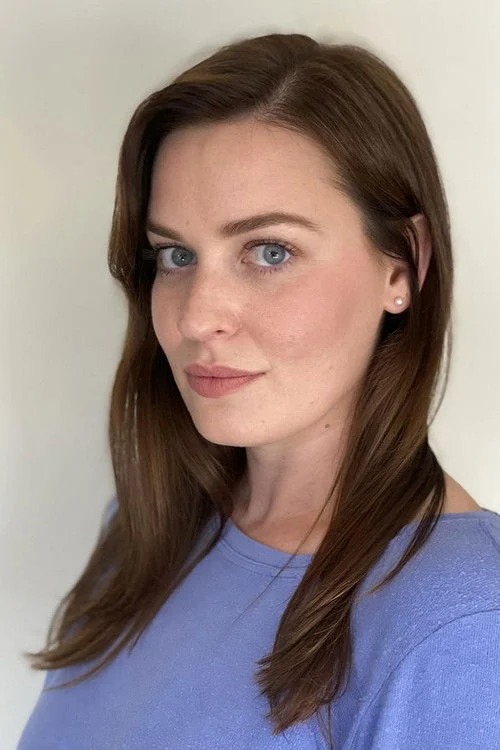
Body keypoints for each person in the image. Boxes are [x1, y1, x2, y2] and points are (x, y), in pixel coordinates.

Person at [18, 31, 500, 750]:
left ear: (402, 265)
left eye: (269, 251)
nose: (196, 317)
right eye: (175, 255)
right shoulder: (148, 529)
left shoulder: (463, 626)